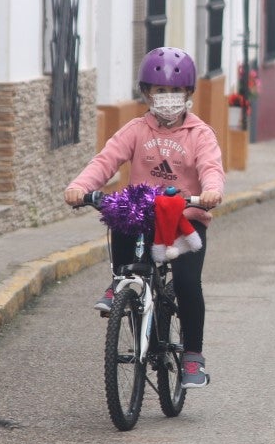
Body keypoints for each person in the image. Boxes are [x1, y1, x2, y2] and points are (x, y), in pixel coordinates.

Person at [64, 47, 225, 388]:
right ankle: (122, 285)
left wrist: (211, 191)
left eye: (175, 91)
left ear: (188, 94)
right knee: (121, 213)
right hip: (144, 214)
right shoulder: (136, 130)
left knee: (185, 282)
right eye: (160, 91)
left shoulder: (200, 134)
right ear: (147, 93)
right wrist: (80, 186)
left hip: (185, 217)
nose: (168, 98)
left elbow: (211, 168)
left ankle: (193, 358)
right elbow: (105, 160)